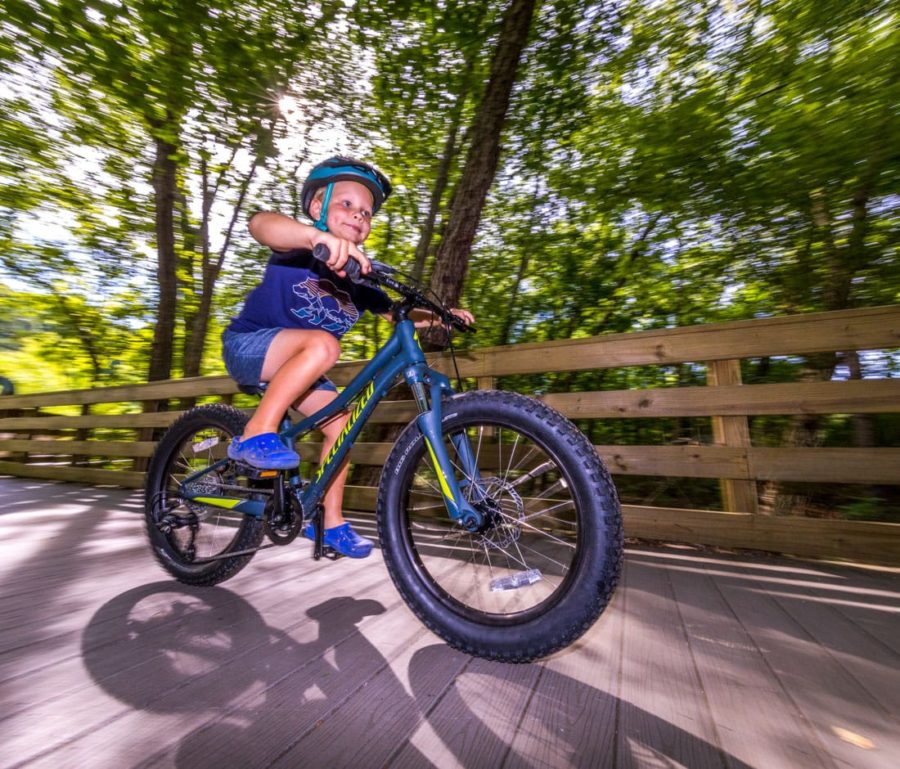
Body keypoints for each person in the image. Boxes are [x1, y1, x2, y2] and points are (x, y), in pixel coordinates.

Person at [222, 157, 474, 558]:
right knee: (324, 344)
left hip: (300, 370)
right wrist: (311, 239)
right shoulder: (302, 246)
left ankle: (330, 521)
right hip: (251, 347)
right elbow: (260, 224)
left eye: (366, 212)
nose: (358, 216)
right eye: (346, 205)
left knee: (342, 427)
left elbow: (398, 313)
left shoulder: (361, 276)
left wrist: (442, 316)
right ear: (316, 209)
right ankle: (256, 431)